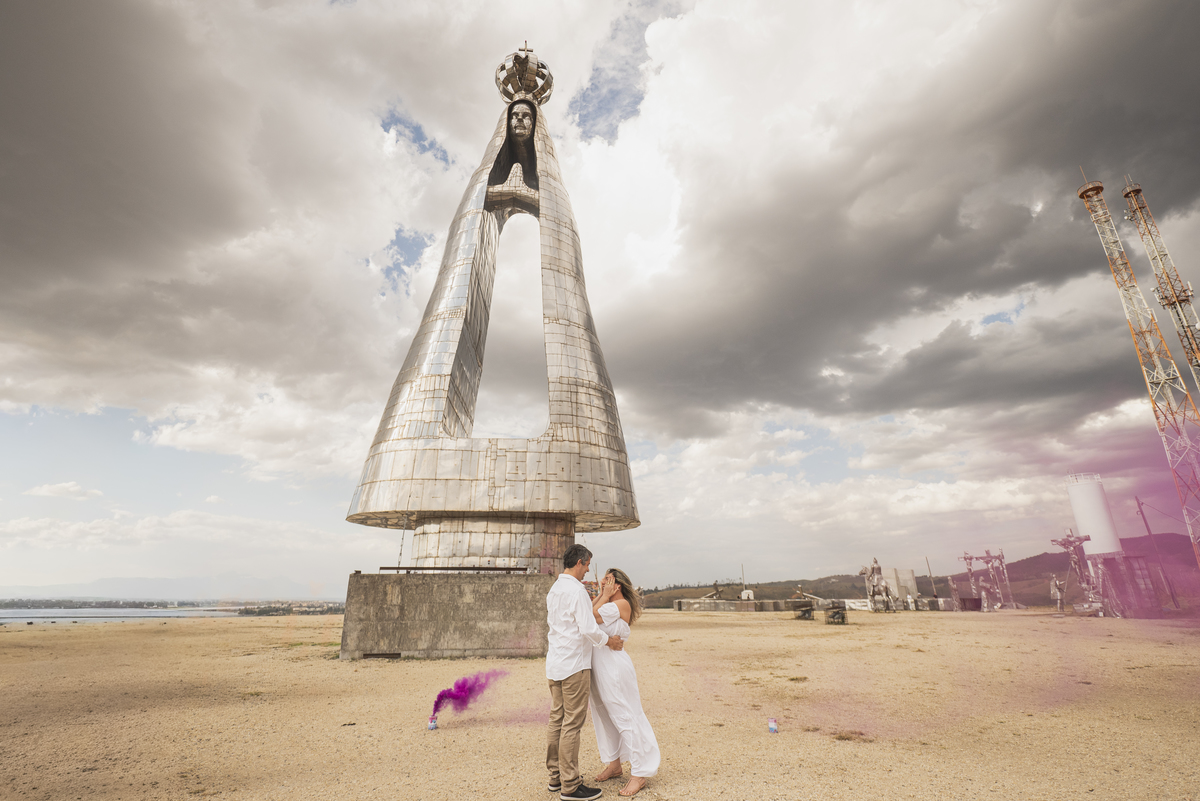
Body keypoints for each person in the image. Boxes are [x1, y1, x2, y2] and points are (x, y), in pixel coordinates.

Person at [546, 544, 624, 801]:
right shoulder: (576, 591)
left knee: (557, 720)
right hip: (574, 665)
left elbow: (576, 617)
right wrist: (609, 641)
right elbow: (589, 628)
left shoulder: (556, 589)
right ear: (579, 561)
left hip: (555, 664)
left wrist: (601, 595)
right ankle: (570, 786)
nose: (588, 569)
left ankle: (555, 778)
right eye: (588, 564)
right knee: (572, 724)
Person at [588, 568, 660, 797]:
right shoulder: (606, 600)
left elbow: (590, 618)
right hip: (599, 665)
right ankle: (614, 763)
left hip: (614, 667)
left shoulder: (621, 605)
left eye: (607, 580)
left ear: (617, 584)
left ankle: (640, 772)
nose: (602, 582)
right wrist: (603, 593)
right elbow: (586, 616)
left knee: (624, 714)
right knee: (604, 715)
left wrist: (604, 595)